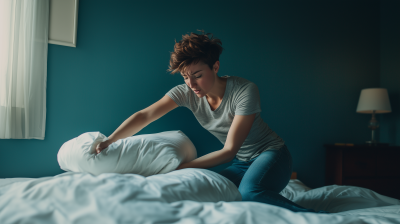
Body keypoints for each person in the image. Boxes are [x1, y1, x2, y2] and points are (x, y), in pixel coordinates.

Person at [95, 30, 328, 214]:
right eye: (186, 77)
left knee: (251, 192)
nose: (191, 84)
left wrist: (180, 167)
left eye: (197, 75)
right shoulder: (185, 92)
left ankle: (320, 219)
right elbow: (145, 115)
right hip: (243, 162)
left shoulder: (245, 90)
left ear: (215, 67)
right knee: (207, 189)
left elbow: (228, 151)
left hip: (273, 155)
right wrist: (111, 140)